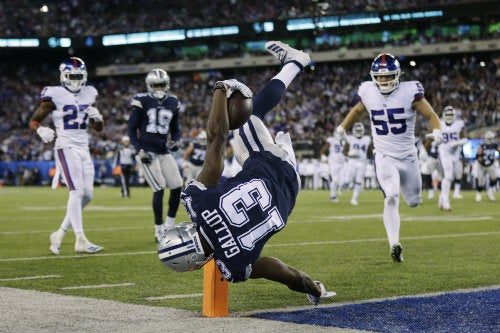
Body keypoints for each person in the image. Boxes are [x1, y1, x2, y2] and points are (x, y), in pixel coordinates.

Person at [157, 41, 335, 305]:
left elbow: (284, 273)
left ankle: (318, 291)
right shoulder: (198, 203)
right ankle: (296, 61)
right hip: (270, 163)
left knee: (246, 133)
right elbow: (216, 140)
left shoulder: (235, 266)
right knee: (249, 119)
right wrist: (221, 89)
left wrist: (312, 287)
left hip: (289, 192)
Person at [335, 53, 442, 262]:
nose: (383, 80)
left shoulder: (410, 91)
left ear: (398, 75)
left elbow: (431, 115)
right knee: (391, 197)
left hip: (409, 155)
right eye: (380, 77)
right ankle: (394, 243)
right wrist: (341, 127)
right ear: (374, 77)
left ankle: (405, 192)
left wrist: (437, 130)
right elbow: (357, 111)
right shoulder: (367, 91)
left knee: (413, 201)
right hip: (384, 155)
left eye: (388, 76)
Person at [29, 56, 104, 255]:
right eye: (72, 75)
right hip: (65, 146)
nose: (76, 80)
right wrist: (39, 130)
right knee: (76, 192)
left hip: (83, 148)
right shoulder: (54, 94)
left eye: (79, 75)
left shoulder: (90, 93)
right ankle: (80, 239)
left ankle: (59, 233)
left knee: (87, 195)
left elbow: (98, 128)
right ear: (63, 76)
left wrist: (98, 119)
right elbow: (34, 120)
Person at [128, 68, 184, 243]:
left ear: (167, 85)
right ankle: (158, 231)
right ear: (149, 86)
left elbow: (175, 128)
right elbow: (131, 128)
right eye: (156, 85)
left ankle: (169, 225)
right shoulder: (141, 100)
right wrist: (139, 150)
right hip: (147, 150)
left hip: (163, 149)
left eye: (161, 85)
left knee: (177, 186)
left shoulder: (174, 101)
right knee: (159, 187)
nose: (159, 88)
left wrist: (175, 140)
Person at [437, 106, 468, 211]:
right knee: (448, 176)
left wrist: (456, 143)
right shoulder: (439, 123)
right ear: (443, 115)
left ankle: (441, 198)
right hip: (444, 151)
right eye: (447, 115)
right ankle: (446, 201)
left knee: (451, 176)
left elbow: (465, 139)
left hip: (455, 154)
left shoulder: (459, 124)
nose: (449, 117)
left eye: (451, 115)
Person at [342, 122, 373, 206]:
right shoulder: (350, 138)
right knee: (349, 180)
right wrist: (349, 154)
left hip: (362, 163)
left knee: (359, 181)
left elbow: (370, 151)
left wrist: (372, 158)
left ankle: (354, 199)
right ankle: (345, 184)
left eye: (360, 130)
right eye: (357, 130)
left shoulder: (367, 139)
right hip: (352, 162)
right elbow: (344, 151)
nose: (358, 132)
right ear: (353, 130)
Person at [319, 130, 347, 202]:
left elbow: (344, 152)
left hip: (342, 163)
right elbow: (322, 150)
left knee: (344, 180)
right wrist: (323, 156)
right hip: (333, 163)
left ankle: (340, 188)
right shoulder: (331, 140)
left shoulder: (343, 141)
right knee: (335, 180)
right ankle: (333, 196)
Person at [475, 130, 499, 202]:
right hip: (482, 165)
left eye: (490, 138)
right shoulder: (482, 145)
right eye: (488, 138)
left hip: (490, 165)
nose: (489, 139)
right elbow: (478, 155)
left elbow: (498, 150)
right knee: (480, 181)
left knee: (494, 178)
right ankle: (479, 193)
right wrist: (480, 159)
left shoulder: (494, 145)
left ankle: (490, 191)